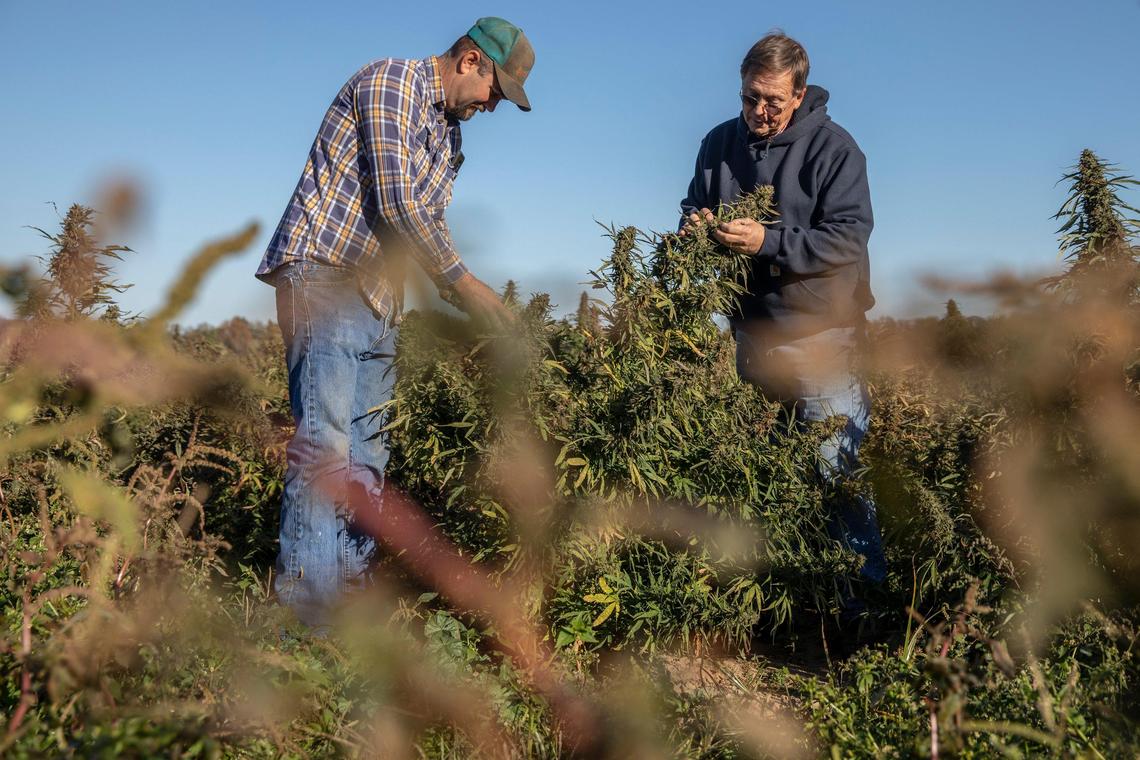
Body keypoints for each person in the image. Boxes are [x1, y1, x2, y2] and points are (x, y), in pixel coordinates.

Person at [255, 17, 534, 627]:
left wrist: (469, 307)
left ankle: (352, 603)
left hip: (382, 300)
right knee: (325, 449)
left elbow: (426, 228)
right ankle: (307, 622)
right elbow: (398, 203)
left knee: (367, 456)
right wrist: (468, 285)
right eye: (495, 92)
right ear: (470, 62)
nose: (493, 107)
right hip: (326, 276)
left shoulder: (449, 140)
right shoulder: (391, 85)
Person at [680, 31, 887, 616]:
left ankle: (861, 607)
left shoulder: (835, 149)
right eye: (750, 98)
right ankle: (783, 599)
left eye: (773, 100)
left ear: (799, 93)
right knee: (764, 465)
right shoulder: (719, 143)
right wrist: (697, 226)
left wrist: (767, 241)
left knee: (834, 471)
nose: (759, 112)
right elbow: (693, 202)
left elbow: (848, 236)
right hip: (753, 334)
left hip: (824, 337)